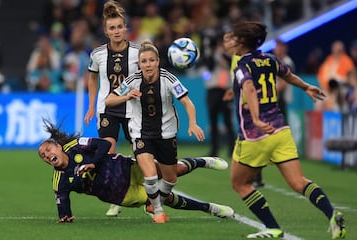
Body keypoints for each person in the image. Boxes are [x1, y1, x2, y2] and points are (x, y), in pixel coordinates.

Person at [229, 21, 346, 239]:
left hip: (255, 135)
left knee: (240, 183)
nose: (232, 42)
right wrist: (306, 87)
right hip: (280, 130)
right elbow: (288, 75)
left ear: (242, 42)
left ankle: (273, 227)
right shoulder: (270, 59)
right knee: (298, 182)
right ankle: (332, 214)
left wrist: (255, 117)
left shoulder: (242, 66)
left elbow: (249, 88)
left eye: (235, 38)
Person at [37, 120, 233, 223]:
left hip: (128, 169)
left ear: (59, 147)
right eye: (43, 156)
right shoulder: (59, 181)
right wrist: (65, 216)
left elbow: (104, 144)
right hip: (121, 194)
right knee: (164, 200)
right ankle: (209, 208)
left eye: (48, 149)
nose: (47, 155)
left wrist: (94, 163)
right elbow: (63, 204)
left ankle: (201, 161)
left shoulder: (75, 145)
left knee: (171, 171)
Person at [105, 39, 205, 223]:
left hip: (166, 134)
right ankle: (158, 211)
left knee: (170, 180)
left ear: (158, 61)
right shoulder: (132, 80)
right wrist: (127, 96)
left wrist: (193, 123)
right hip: (141, 134)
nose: (148, 64)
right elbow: (109, 101)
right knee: (150, 177)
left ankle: (153, 203)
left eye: (151, 60)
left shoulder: (168, 79)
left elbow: (187, 102)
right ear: (139, 64)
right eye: (144, 61)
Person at [84, 1, 139, 216]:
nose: (116, 31)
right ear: (106, 31)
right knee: (108, 153)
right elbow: (92, 79)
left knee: (140, 154)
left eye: (119, 27)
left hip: (133, 109)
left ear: (125, 28)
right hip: (106, 109)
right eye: (112, 28)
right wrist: (90, 107)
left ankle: (149, 194)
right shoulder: (97, 54)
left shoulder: (137, 52)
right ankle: (116, 198)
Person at [222, 31, 265, 188]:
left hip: (250, 104)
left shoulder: (244, 58)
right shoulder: (235, 58)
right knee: (250, 138)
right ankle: (255, 174)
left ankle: (255, 174)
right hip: (241, 102)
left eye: (228, 40)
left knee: (253, 138)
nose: (226, 44)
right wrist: (232, 91)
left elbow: (251, 82)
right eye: (224, 41)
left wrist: (250, 102)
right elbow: (239, 81)